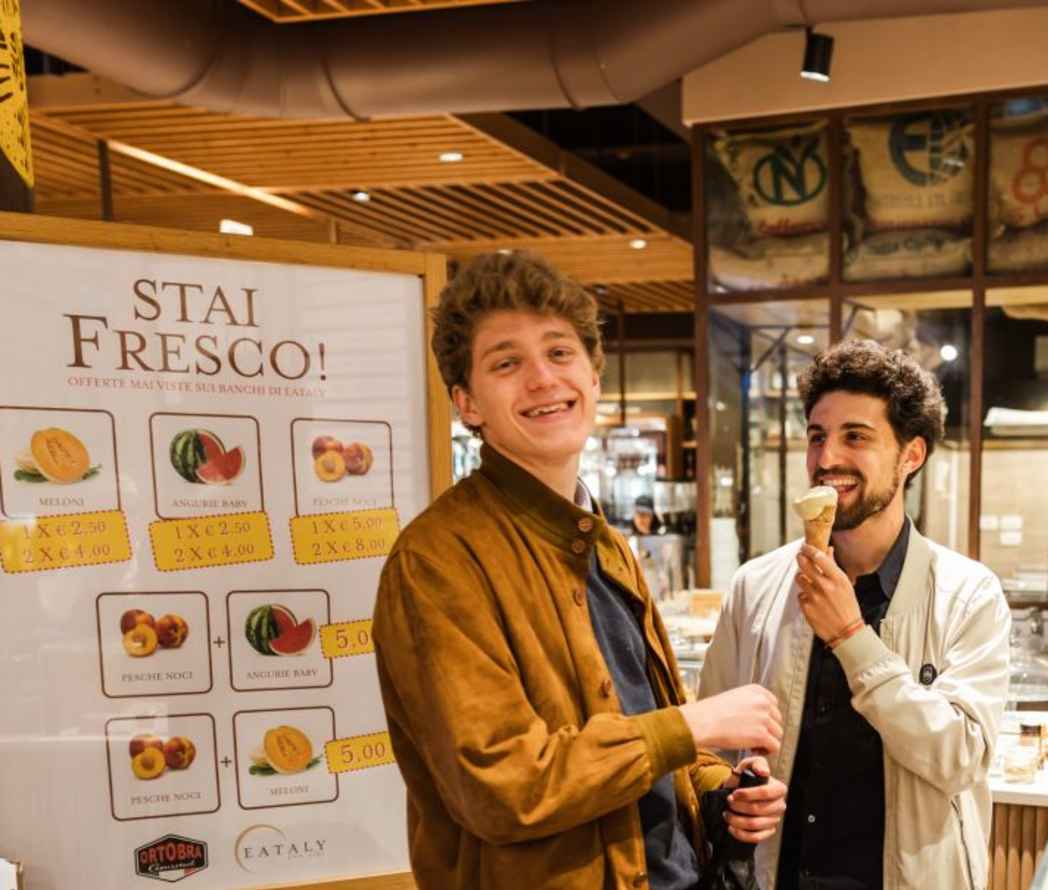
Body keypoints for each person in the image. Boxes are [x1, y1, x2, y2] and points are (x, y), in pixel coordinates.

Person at [372, 252, 788, 890]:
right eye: (506, 363)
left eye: (560, 353)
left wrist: (716, 789)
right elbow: (504, 787)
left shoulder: (608, 545)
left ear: (594, 376)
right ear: (467, 403)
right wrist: (693, 725)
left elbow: (647, 732)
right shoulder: (438, 560)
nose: (542, 378)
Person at [700, 339, 1012, 890]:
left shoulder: (968, 595)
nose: (827, 460)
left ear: (911, 455)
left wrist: (850, 636)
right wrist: (728, 793)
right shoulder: (757, 586)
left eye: (856, 437)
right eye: (817, 437)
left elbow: (959, 758)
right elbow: (708, 746)